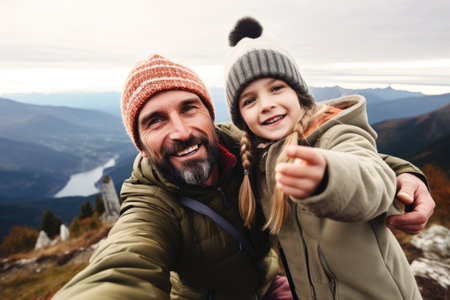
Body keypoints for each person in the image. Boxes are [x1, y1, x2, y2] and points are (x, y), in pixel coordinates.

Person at [53, 52, 433, 299]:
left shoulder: (247, 147)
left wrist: (403, 171)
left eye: (189, 108)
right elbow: (124, 263)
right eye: (155, 120)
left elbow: (344, 153)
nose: (181, 131)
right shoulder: (151, 202)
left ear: (211, 114)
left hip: (273, 287)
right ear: (140, 144)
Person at [223, 17, 423, 299]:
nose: (266, 104)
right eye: (249, 100)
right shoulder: (258, 156)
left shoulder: (337, 135)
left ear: (299, 92)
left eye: (277, 87)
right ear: (241, 118)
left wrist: (329, 178)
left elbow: (372, 180)